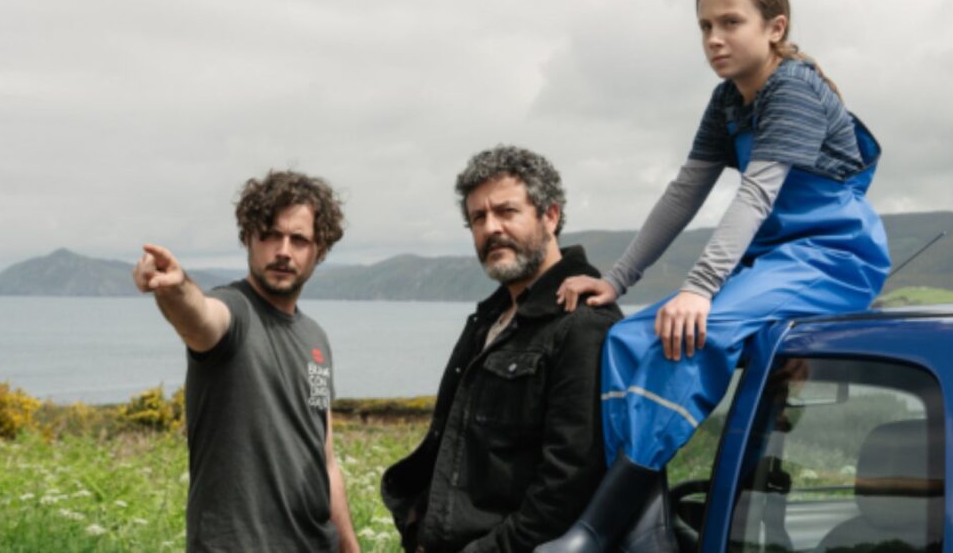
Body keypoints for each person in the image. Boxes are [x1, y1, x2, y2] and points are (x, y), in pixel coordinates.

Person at [540, 0, 892, 552]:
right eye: (705, 26)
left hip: (832, 257)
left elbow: (756, 194)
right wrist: (618, 280)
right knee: (625, 341)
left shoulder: (794, 89)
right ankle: (643, 531)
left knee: (696, 333)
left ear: (775, 28)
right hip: (773, 259)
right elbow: (686, 191)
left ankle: (594, 530)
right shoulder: (727, 99)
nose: (714, 39)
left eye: (730, 23)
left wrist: (700, 289)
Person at [380, 146, 623, 553]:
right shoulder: (490, 318)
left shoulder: (583, 324)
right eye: (478, 218)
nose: (491, 228)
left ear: (550, 215)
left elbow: (567, 489)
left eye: (506, 211)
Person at [132, 170, 360, 553]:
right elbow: (201, 317)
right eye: (269, 234)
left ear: (318, 251)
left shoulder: (315, 339)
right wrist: (175, 288)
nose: (283, 250)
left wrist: (350, 547)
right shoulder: (235, 311)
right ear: (248, 238)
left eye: (299, 240)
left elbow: (325, 459)